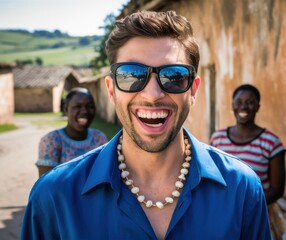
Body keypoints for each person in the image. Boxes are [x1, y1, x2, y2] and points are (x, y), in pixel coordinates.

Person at [21, 10, 271, 240]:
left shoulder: (243, 190)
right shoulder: (54, 197)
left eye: (173, 76)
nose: (152, 94)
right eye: (131, 75)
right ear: (111, 90)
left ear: (193, 91)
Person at [210, 84, 286, 238]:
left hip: (256, 215)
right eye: (239, 102)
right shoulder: (218, 138)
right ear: (232, 106)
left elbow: (277, 189)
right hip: (221, 215)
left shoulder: (271, 142)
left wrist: (244, 206)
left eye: (250, 102)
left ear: (258, 106)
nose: (243, 107)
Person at [36, 87, 108, 177]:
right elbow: (46, 186)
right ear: (66, 109)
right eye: (78, 106)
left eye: (90, 106)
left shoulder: (100, 138)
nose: (84, 111)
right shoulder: (51, 141)